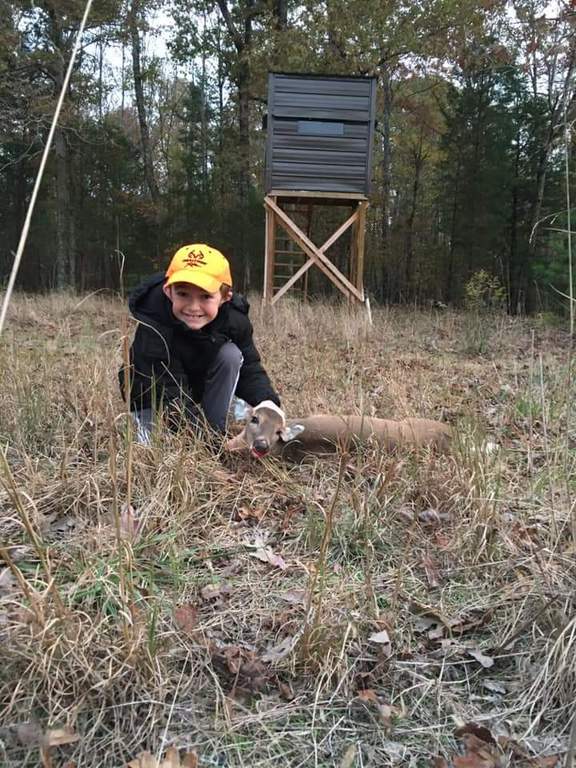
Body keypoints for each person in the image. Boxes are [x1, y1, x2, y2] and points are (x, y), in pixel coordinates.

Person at [119, 243, 280, 443]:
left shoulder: (234, 320)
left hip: (196, 384)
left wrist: (267, 402)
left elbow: (249, 366)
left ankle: (214, 426)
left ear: (225, 297)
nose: (193, 307)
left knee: (231, 354)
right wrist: (204, 439)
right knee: (155, 446)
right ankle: (196, 433)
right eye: (183, 294)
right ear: (168, 291)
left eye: (205, 296)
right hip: (152, 395)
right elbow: (169, 395)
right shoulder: (154, 324)